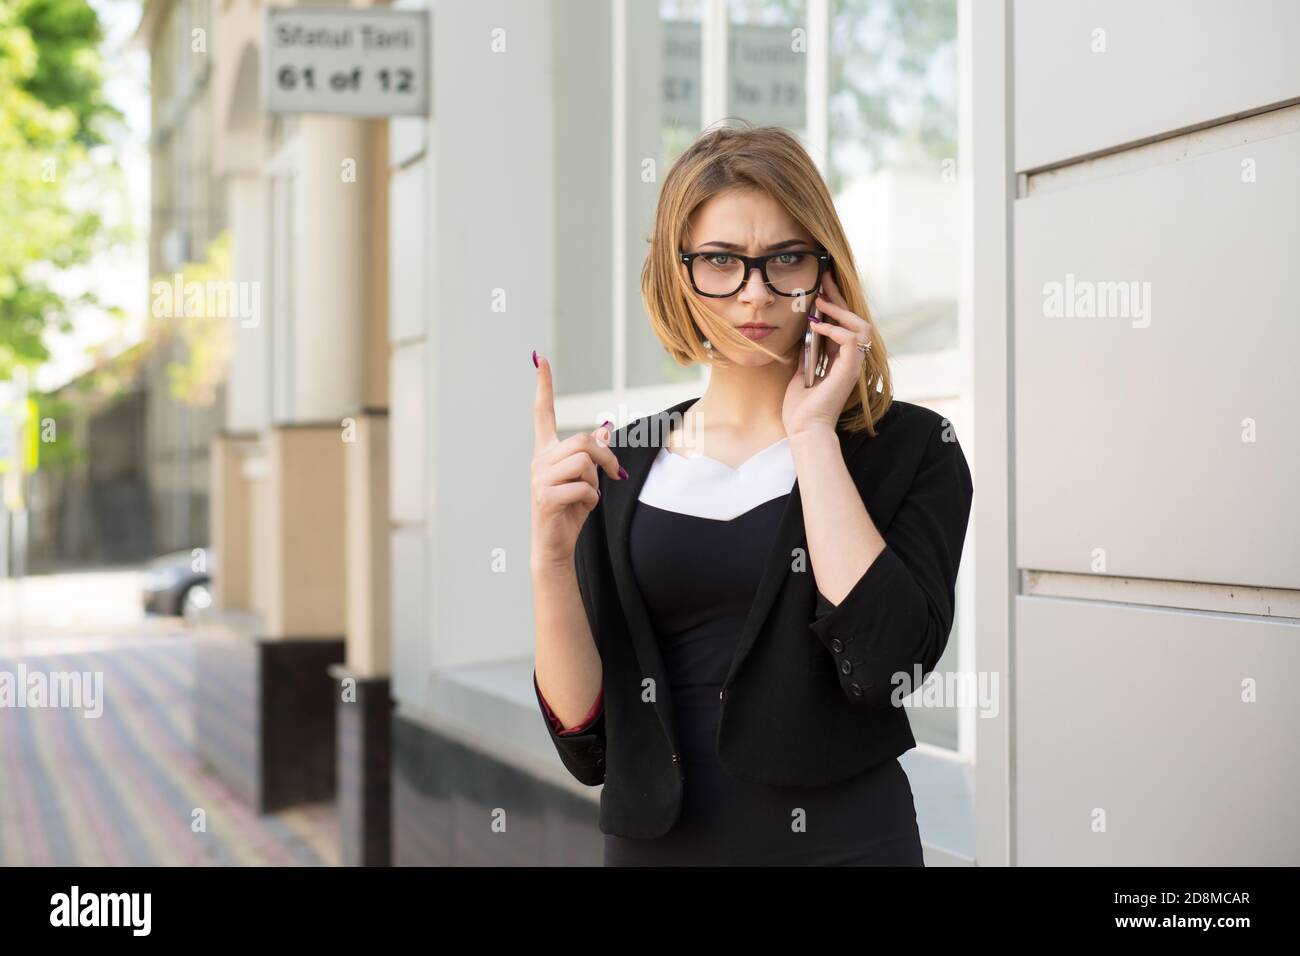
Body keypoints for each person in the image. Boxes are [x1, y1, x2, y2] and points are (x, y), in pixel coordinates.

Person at [529, 122, 973, 865]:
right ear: (678, 272)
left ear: (825, 273)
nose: (755, 293)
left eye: (785, 260)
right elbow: (587, 745)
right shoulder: (620, 464)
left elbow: (883, 663)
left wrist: (812, 436)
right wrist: (547, 558)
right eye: (721, 261)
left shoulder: (914, 448)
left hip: (848, 847)